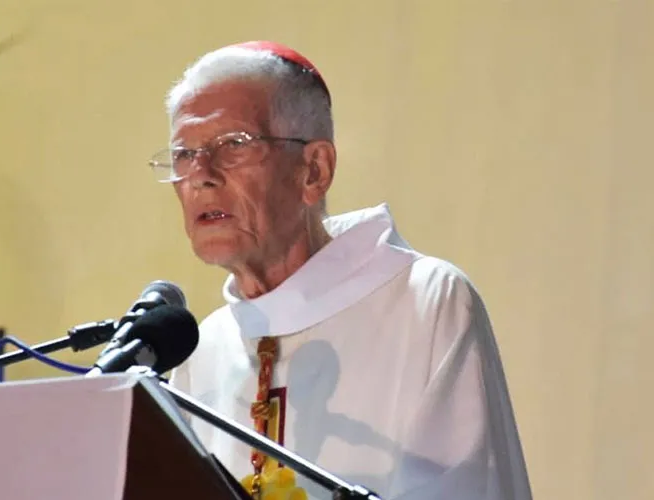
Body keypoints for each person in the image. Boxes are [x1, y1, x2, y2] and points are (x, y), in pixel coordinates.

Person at [154, 41, 532, 500]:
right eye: (183, 155)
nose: (201, 175)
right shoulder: (199, 351)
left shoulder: (425, 302)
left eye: (233, 145)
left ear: (313, 170)